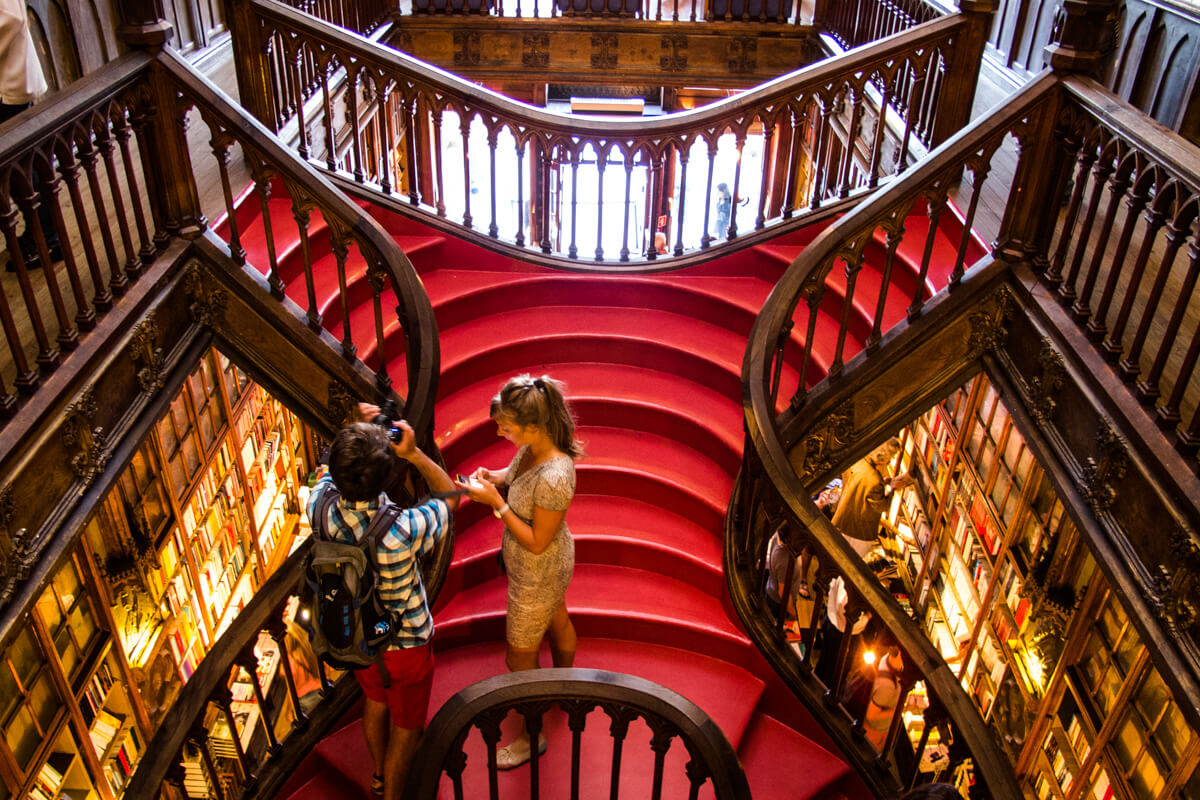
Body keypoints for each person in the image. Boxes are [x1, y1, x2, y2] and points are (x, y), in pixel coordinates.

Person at [307, 403, 461, 800]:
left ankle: (378, 775)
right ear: (388, 477)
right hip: (406, 643)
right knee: (407, 729)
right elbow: (449, 495)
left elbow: (327, 469)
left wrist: (356, 433)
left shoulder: (319, 507)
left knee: (374, 700)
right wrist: (413, 452)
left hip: (356, 633)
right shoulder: (403, 529)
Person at [458, 374, 581, 769]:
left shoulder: (557, 475)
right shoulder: (533, 446)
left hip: (538, 570)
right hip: (546, 566)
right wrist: (495, 478)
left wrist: (496, 503)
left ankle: (533, 737)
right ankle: (565, 685)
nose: (499, 432)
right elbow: (517, 479)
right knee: (558, 618)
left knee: (517, 659)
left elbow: (536, 540)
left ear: (533, 426)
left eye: (505, 427)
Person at [0, 1, 58, 270]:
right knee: (21, 165)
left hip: (7, 82)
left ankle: (46, 238)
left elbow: (10, 18)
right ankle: (41, 232)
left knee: (20, 168)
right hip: (8, 77)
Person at [831, 438, 911, 557]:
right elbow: (882, 507)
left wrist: (885, 485)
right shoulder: (874, 479)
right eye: (892, 456)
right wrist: (893, 488)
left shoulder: (857, 460)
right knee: (851, 563)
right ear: (883, 456)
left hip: (842, 518)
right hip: (859, 530)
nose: (892, 460)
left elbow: (863, 490)